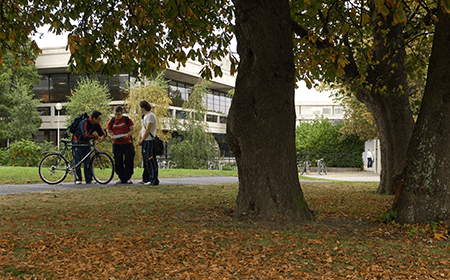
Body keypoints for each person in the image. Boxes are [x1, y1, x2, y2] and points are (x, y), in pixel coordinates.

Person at [73, 110, 106, 184]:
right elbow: (85, 135)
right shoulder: (85, 122)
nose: (100, 120)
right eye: (99, 119)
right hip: (78, 142)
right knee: (77, 161)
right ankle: (78, 179)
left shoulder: (97, 124)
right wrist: (96, 137)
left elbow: (101, 133)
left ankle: (89, 179)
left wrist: (102, 137)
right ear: (94, 118)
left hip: (87, 143)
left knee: (88, 161)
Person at [106, 106, 136, 184]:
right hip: (116, 144)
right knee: (117, 161)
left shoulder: (127, 120)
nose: (117, 116)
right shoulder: (112, 121)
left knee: (128, 161)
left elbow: (133, 130)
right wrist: (110, 136)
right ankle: (121, 178)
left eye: (118, 114)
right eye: (115, 114)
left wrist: (127, 134)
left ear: (122, 113)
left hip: (127, 143)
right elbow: (108, 130)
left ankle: (128, 177)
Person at [137, 100, 159, 186]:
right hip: (145, 141)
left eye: (140, 108)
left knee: (150, 159)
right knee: (145, 160)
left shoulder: (150, 116)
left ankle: (154, 179)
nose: (140, 110)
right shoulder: (144, 117)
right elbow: (142, 128)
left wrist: (142, 140)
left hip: (149, 141)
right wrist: (139, 138)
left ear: (143, 108)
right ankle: (146, 178)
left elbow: (148, 129)